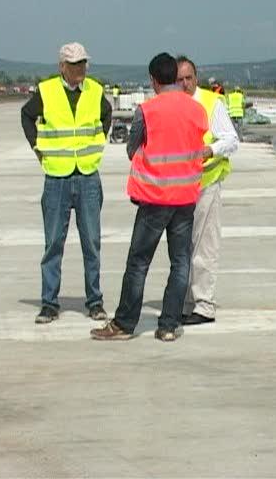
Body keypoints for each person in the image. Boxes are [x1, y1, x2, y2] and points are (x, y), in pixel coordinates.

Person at [91, 53, 208, 342]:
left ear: (154, 80)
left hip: (154, 198)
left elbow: (132, 148)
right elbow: (197, 145)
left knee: (139, 262)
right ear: (175, 77)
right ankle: (168, 325)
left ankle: (124, 324)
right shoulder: (196, 109)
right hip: (186, 197)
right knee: (180, 262)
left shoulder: (147, 110)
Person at [21, 42, 112, 324]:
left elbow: (106, 116)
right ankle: (49, 303)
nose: (80, 69)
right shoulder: (46, 91)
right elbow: (27, 115)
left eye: (83, 63)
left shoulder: (95, 90)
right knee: (53, 244)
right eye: (74, 64)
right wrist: (38, 148)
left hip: (87, 176)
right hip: (57, 177)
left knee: (92, 243)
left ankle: (95, 301)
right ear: (62, 66)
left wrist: (97, 142)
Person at [176, 56, 239, 325]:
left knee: (204, 246)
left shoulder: (211, 103)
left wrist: (209, 150)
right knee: (182, 248)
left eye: (188, 78)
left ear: (196, 78)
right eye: (179, 79)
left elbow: (231, 139)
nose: (184, 83)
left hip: (206, 183)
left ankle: (204, 304)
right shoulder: (174, 105)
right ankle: (186, 301)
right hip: (179, 186)